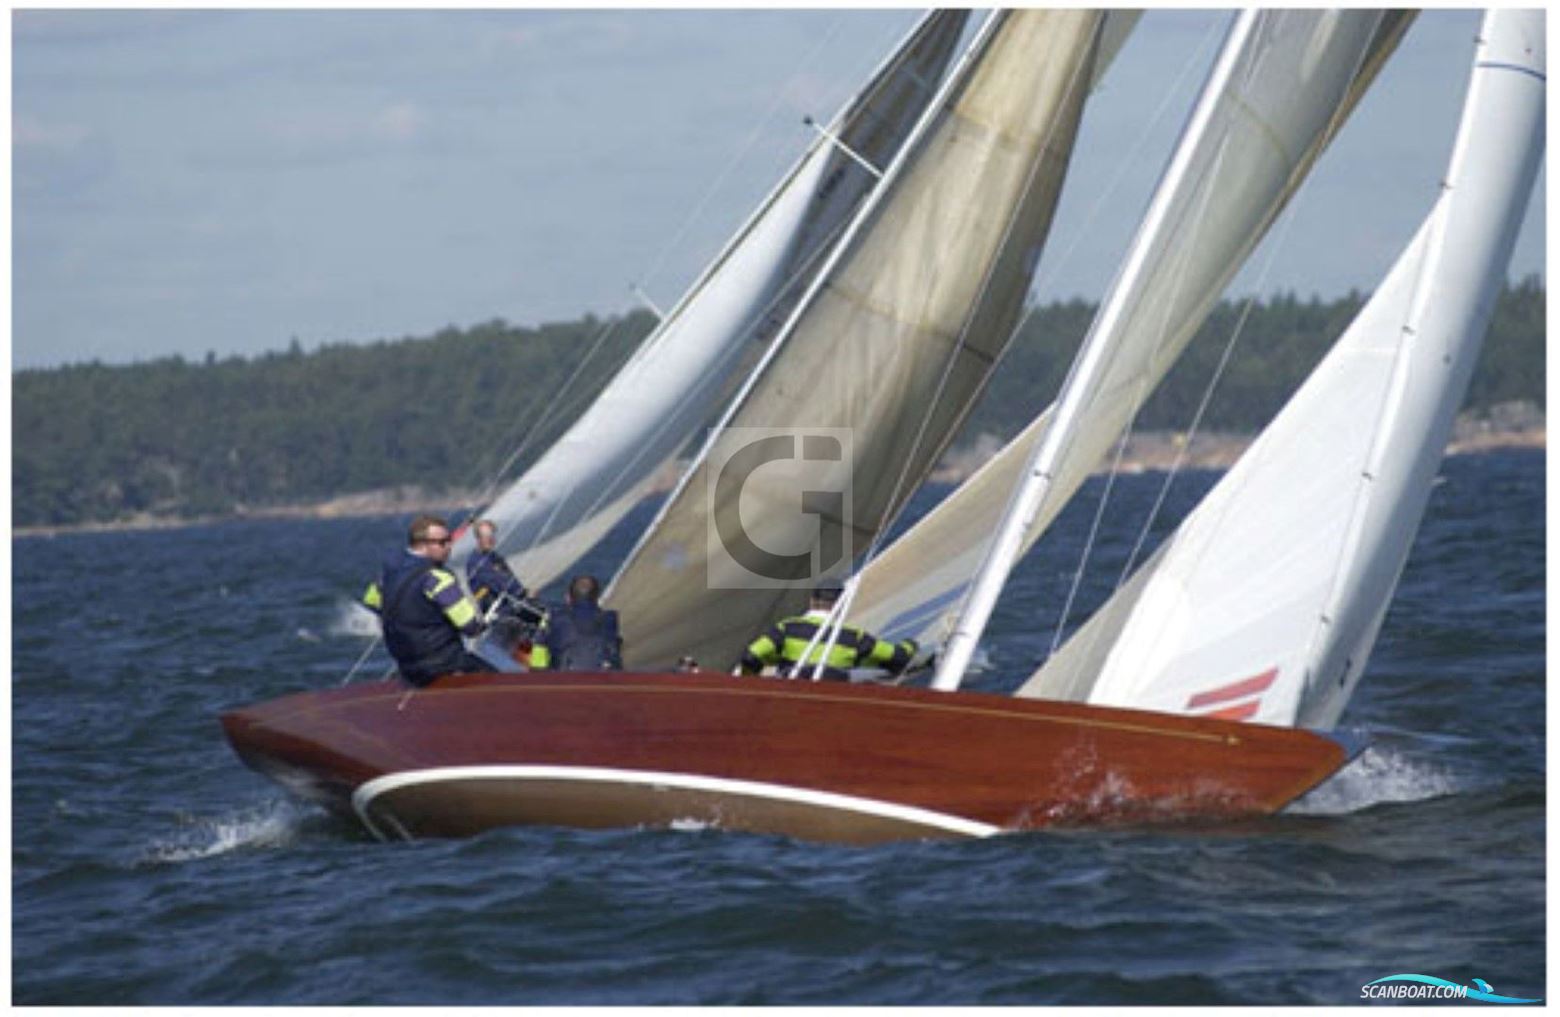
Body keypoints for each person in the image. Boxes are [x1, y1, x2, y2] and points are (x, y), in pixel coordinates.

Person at [362, 514, 491, 687]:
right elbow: (471, 627)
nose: (449, 546)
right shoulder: (437, 578)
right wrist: (486, 622)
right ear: (422, 545)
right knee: (498, 680)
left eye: (449, 540)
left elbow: (371, 602)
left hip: (406, 666)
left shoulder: (390, 572)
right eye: (442, 542)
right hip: (444, 664)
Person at [738, 582, 917, 682]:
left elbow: (751, 656)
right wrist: (910, 645)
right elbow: (898, 656)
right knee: (883, 667)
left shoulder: (787, 627)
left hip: (791, 686)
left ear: (811, 601)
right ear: (841, 606)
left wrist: (751, 684)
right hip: (832, 689)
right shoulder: (853, 636)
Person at [531, 574, 623, 671]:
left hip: (566, 680)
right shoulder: (610, 619)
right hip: (604, 680)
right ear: (597, 597)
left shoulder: (553, 618)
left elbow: (538, 656)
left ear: (568, 597)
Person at [465, 518, 531, 618]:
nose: (491, 540)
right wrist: (522, 594)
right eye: (486, 537)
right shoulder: (476, 562)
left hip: (513, 605)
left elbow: (511, 578)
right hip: (500, 614)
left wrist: (524, 593)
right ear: (478, 539)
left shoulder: (494, 556)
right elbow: (500, 585)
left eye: (492, 536)